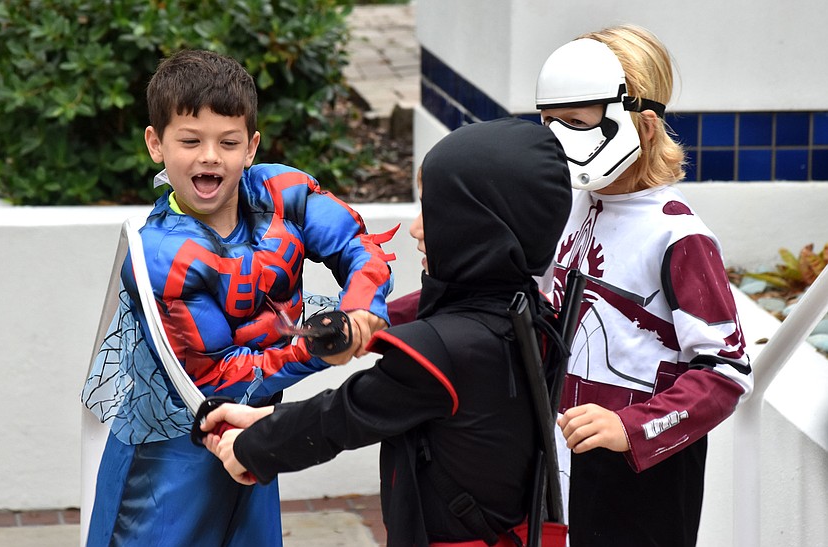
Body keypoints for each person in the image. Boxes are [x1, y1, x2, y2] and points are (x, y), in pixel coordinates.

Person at [200, 117, 573, 546]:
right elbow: (425, 312)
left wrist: (249, 449)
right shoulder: (526, 308)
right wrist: (261, 415)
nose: (415, 228)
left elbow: (342, 417)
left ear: (480, 230)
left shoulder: (450, 350)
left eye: (434, 213)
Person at [81, 49, 394, 546]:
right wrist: (317, 346)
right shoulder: (163, 253)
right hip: (166, 456)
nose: (209, 156)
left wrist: (361, 309)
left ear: (250, 147)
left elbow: (359, 248)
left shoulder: (282, 192)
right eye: (190, 140)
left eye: (227, 142)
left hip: (250, 437)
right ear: (155, 144)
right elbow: (221, 376)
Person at [534, 25, 754, 546]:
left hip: (639, 477)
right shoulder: (565, 207)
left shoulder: (678, 234)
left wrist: (634, 428)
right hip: (559, 460)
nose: (559, 137)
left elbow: (726, 370)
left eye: (576, 122)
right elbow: (507, 291)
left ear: (644, 126)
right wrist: (382, 319)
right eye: (548, 122)